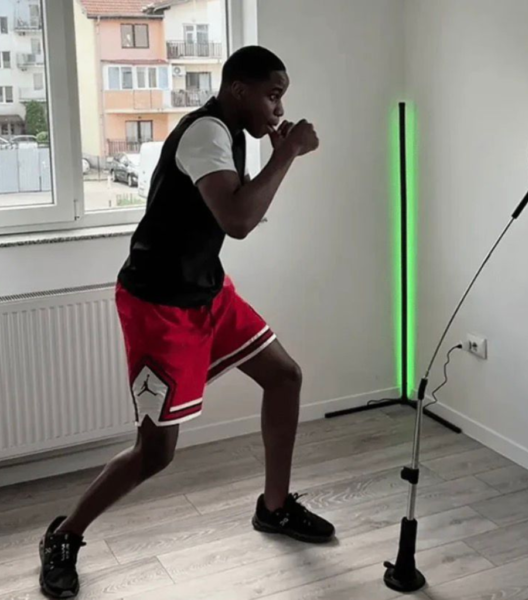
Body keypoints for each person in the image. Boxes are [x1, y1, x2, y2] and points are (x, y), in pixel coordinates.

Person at [39, 46, 335, 599]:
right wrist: (289, 152)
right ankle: (63, 535)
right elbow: (238, 220)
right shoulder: (205, 133)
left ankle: (274, 508)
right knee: (156, 452)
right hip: (159, 305)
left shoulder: (233, 133)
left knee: (284, 376)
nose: (279, 108)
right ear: (239, 89)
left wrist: (277, 154)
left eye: (282, 99)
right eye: (272, 95)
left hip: (207, 290)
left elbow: (240, 210)